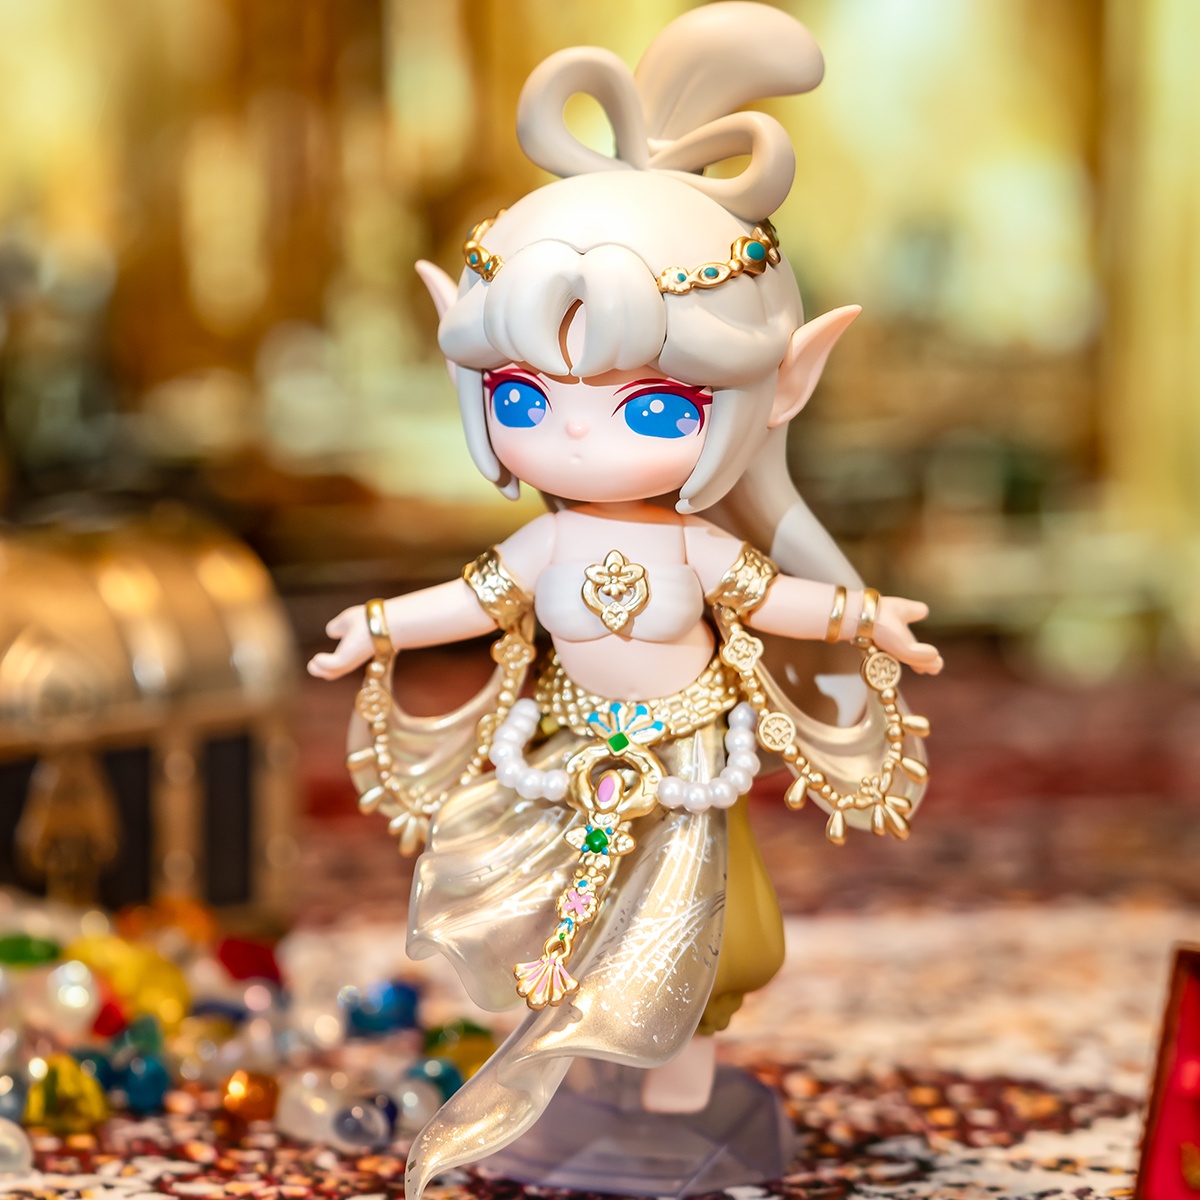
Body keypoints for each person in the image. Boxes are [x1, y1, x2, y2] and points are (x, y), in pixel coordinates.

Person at [308, 5, 942, 1196]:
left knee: (694, 940)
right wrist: (378, 626)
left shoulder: (697, 547)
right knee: (561, 921)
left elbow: (774, 599)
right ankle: (585, 1070)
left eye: (651, 407)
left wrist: (865, 619)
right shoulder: (548, 542)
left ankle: (673, 1086)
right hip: (566, 756)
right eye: (522, 396)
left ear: (779, 384)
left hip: (684, 762)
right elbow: (475, 598)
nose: (575, 435)